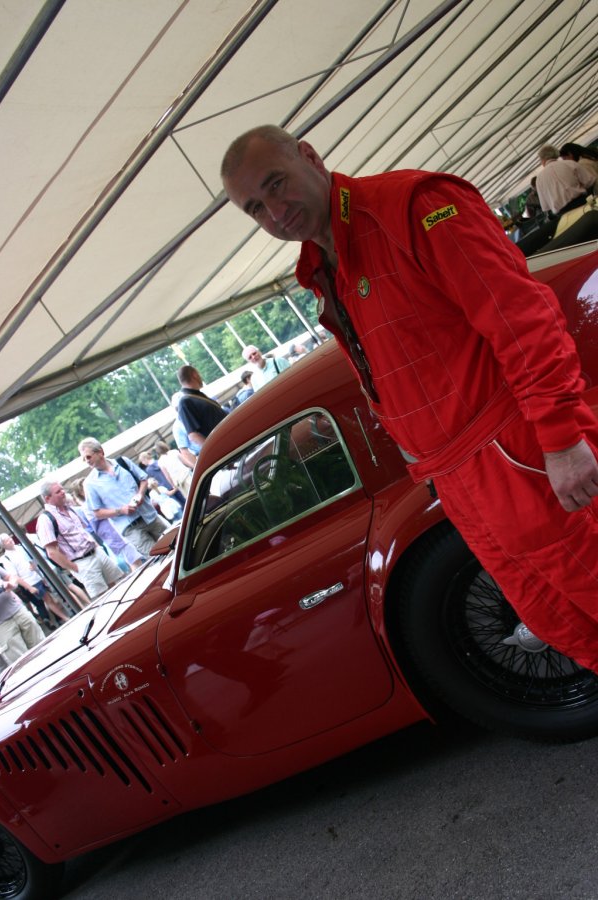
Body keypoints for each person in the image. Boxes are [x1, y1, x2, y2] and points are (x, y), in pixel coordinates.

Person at [221, 124, 598, 673]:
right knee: (561, 623)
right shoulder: (324, 268)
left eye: (276, 184)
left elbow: (524, 320)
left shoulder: (412, 206)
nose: (275, 212)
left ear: (309, 156)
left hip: (517, 454)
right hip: (460, 480)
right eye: (255, 207)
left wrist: (562, 439)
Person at [79, 438, 169, 557]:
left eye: (88, 457)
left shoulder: (123, 462)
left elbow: (143, 479)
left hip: (150, 516)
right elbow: (97, 513)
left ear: (100, 452)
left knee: (177, 547)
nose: (87, 461)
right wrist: (120, 510)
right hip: (131, 529)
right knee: (160, 559)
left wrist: (140, 494)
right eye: (84, 459)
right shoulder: (90, 483)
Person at [36, 479, 123, 601]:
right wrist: (74, 567)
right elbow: (52, 552)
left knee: (118, 589)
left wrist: (98, 548)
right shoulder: (45, 519)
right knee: (105, 599)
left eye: (62, 489)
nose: (63, 492)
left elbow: (83, 531)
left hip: (96, 553)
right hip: (82, 562)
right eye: (58, 491)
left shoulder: (69, 509)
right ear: (47, 498)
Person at [69, 478, 144, 573]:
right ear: (81, 493)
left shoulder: (89, 504)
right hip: (115, 535)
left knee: (134, 559)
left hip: (115, 535)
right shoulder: (89, 505)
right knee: (134, 561)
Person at [0, 532, 61, 628]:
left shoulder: (20, 547)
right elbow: (13, 576)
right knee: (46, 601)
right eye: (7, 540)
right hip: (28, 583)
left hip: (38, 577)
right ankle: (59, 618)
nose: (10, 540)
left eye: (9, 538)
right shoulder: (6, 558)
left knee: (47, 601)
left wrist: (34, 566)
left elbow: (34, 558)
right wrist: (28, 587)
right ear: (3, 545)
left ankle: (51, 619)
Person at [0, 557, 45, 666]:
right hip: (1, 625)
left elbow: (10, 576)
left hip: (18, 610)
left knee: (41, 645)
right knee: (22, 662)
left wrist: (12, 583)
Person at [176, 366, 227, 449]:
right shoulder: (185, 402)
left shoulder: (196, 396)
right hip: (225, 446)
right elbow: (193, 435)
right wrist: (218, 450)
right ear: (194, 375)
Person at [535, 144, 594, 215]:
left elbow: (546, 206)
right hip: (583, 202)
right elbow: (590, 181)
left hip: (565, 214)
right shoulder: (571, 163)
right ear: (556, 154)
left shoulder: (539, 179)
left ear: (542, 159)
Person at [171, 392, 203, 468]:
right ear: (176, 409)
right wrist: (199, 467)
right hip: (203, 455)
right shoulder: (178, 426)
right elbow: (184, 450)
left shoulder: (199, 412)